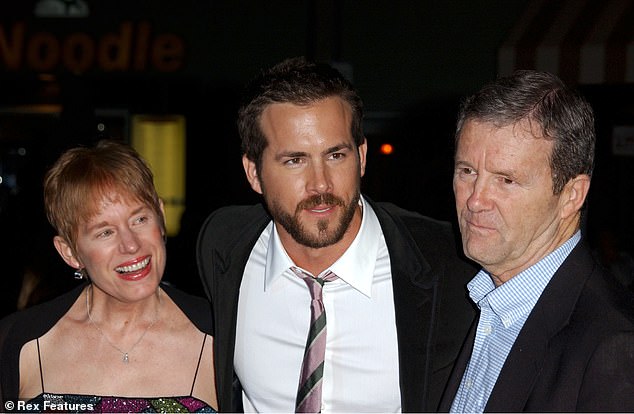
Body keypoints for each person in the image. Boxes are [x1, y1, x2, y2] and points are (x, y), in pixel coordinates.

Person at [196, 56, 478, 413]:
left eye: (335, 155)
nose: (320, 184)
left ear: (361, 156)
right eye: (294, 160)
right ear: (253, 172)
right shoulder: (223, 245)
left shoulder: (450, 266)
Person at [438, 70, 634, 412]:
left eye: (506, 180)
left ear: (572, 195)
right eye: (467, 171)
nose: (475, 200)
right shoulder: (479, 301)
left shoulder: (614, 347)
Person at [0, 140, 218, 412]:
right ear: (70, 253)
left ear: (160, 218)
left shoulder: (221, 337)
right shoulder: (18, 344)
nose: (131, 245)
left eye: (140, 219)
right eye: (105, 232)